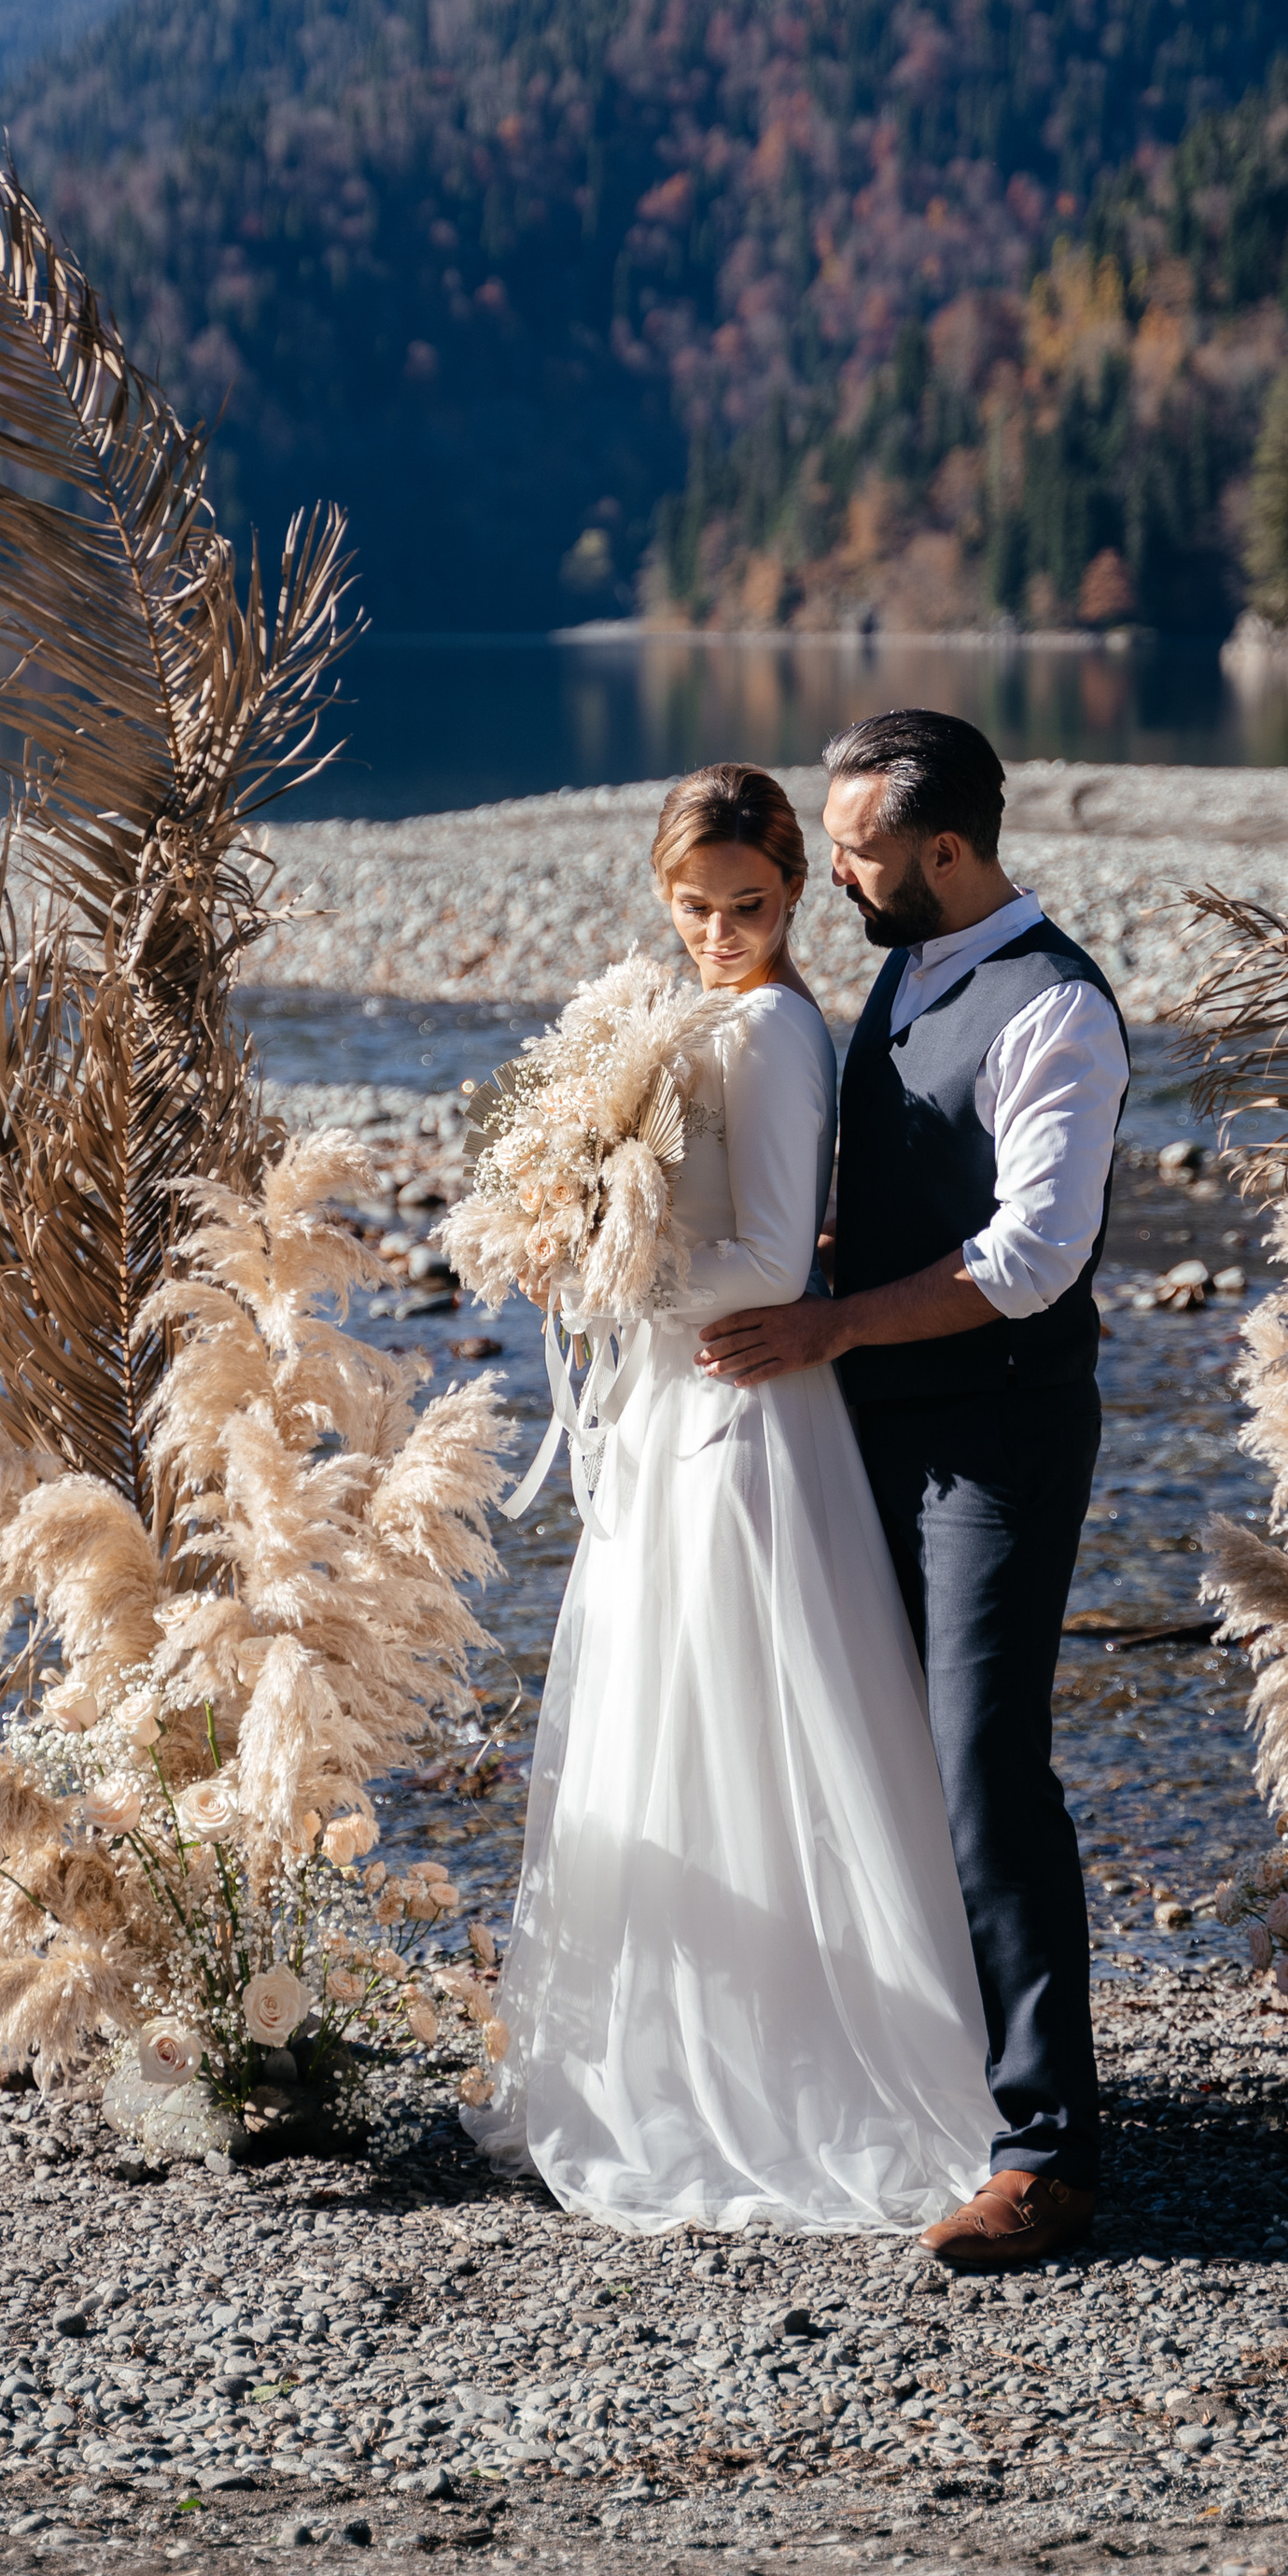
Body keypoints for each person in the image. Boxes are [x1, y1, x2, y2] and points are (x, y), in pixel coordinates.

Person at [465, 760, 993, 2231]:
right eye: (694, 907)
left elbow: (774, 1261)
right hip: (680, 1400)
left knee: (750, 1721)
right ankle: (674, 2048)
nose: (719, 933)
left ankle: (788, 2064)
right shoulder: (683, 1010)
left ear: (797, 893)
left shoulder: (771, 1029)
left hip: (744, 1408)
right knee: (665, 1714)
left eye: (748, 906)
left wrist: (608, 1271)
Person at [697, 711, 1128, 2273]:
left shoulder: (1057, 1011)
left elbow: (1032, 1260)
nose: (840, 872)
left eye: (860, 847)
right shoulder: (911, 960)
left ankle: (1051, 2158)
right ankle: (931, 2078)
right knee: (863, 1739)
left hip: (996, 1440)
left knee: (981, 1765)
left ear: (945, 852)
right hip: (867, 1421)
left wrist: (827, 1321)